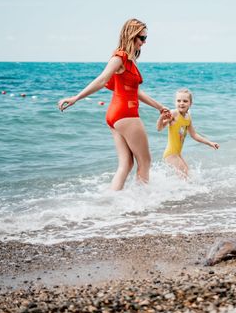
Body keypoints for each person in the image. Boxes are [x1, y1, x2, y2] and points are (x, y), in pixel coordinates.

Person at [57, 18, 170, 190]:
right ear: (131, 36)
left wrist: (159, 107)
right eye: (142, 38)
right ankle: (143, 203)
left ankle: (111, 204)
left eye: (146, 38)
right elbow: (102, 80)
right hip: (126, 114)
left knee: (126, 164)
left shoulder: (129, 60)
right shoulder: (119, 57)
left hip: (115, 115)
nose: (144, 42)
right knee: (145, 162)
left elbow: (135, 91)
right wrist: (76, 98)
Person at [157, 88, 219, 178]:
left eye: (185, 101)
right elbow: (159, 128)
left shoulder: (188, 117)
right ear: (175, 102)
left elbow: (194, 135)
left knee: (188, 174)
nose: (181, 103)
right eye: (178, 101)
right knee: (185, 176)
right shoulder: (174, 113)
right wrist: (161, 118)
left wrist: (210, 143)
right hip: (171, 154)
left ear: (190, 103)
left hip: (177, 154)